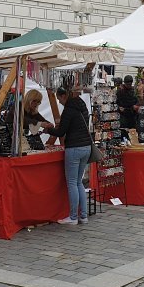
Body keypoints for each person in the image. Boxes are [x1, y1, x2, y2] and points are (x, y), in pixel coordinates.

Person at [45, 86, 92, 225]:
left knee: (72, 182)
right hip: (86, 147)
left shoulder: (69, 109)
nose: (59, 102)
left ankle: (73, 217)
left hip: (75, 147)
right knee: (79, 182)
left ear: (64, 96)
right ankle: (83, 216)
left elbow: (61, 132)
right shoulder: (82, 106)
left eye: (59, 98)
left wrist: (49, 130)